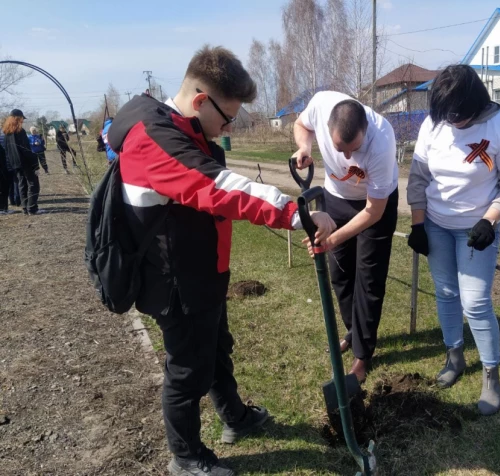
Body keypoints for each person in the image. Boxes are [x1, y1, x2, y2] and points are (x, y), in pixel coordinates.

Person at [107, 45, 335, 476]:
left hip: (202, 270)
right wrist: (296, 212)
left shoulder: (181, 127)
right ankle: (188, 457)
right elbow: (217, 186)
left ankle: (235, 417)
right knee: (187, 370)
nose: (228, 127)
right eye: (227, 117)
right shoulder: (155, 139)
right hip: (174, 279)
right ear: (199, 101)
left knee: (215, 349)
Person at [406, 64, 500, 416]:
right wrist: (417, 225)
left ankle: (491, 374)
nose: (451, 121)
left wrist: (491, 219)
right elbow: (417, 179)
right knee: (445, 292)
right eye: (445, 114)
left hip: (478, 230)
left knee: (474, 302)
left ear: (474, 104)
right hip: (436, 224)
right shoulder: (433, 123)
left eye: (457, 115)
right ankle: (454, 356)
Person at [294, 91, 399, 384]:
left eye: (354, 149)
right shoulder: (321, 105)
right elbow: (301, 126)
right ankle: (354, 332)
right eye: (341, 148)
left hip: (375, 204)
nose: (348, 157)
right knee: (340, 274)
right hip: (336, 197)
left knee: (368, 279)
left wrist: (334, 238)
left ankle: (362, 355)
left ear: (366, 130)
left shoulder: (382, 141)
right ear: (329, 129)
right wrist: (304, 146)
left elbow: (373, 212)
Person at [2, 109, 44, 215]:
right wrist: (35, 164)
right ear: (17, 118)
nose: (22, 121)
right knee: (33, 184)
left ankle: (25, 208)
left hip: (15, 163)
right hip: (24, 162)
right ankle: (32, 208)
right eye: (21, 118)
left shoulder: (7, 132)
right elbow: (26, 149)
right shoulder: (20, 131)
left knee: (22, 185)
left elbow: (7, 150)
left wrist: (10, 164)